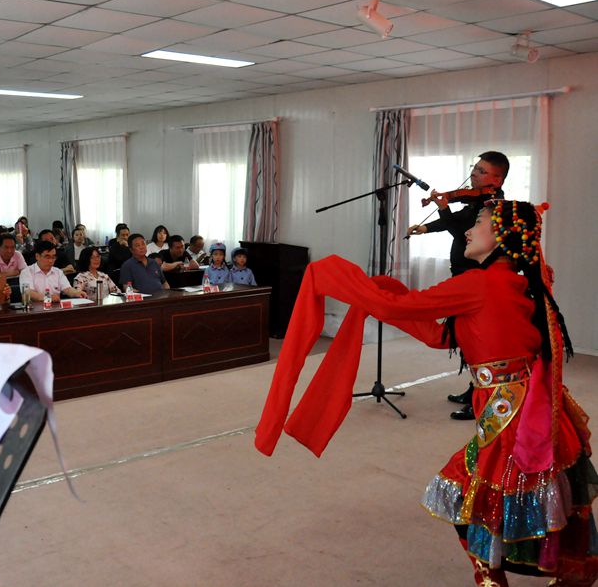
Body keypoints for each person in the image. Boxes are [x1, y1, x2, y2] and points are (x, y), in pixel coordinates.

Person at [255, 200, 596, 587]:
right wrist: (387, 296)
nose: (468, 230)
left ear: (502, 235)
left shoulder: (479, 284)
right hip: (522, 405)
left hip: (509, 415)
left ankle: (493, 581)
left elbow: (398, 308)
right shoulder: (515, 282)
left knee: (472, 498)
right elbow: (441, 336)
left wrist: (332, 274)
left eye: (478, 222)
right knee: (506, 500)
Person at [407, 151, 509, 421]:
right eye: (475, 168)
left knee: (477, 339)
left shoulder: (492, 206)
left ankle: (482, 398)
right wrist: (425, 228)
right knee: (466, 336)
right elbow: (459, 221)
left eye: (482, 171)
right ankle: (474, 388)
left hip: (476, 280)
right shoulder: (475, 202)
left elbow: (460, 232)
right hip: (464, 277)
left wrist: (443, 207)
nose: (474, 173)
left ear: (497, 179)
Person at [18, 241, 85, 302]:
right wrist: (47, 298)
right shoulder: (27, 272)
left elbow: (67, 289)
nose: (51, 261)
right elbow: (28, 292)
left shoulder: (58, 272)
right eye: (47, 257)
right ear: (37, 256)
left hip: (55, 308)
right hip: (34, 309)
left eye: (53, 257)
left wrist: (77, 293)